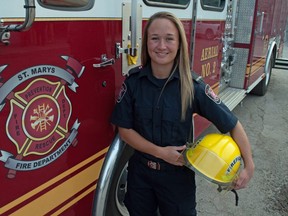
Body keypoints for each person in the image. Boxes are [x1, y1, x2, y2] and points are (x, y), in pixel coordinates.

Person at [111, 11, 255, 216]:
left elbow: (232, 124)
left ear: (179, 44)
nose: (161, 46)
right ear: (147, 44)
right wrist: (161, 153)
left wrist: (249, 166)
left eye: (169, 39)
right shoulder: (134, 83)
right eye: (155, 39)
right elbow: (124, 130)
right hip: (140, 175)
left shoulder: (192, 86)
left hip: (177, 180)